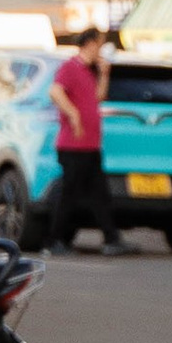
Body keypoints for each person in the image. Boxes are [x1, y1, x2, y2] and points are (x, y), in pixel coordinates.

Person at [52, 27, 128, 252]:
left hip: (91, 144)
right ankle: (55, 240)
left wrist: (104, 74)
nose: (101, 50)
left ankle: (111, 239)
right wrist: (73, 114)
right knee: (69, 195)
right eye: (100, 44)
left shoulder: (89, 71)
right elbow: (55, 92)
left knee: (99, 194)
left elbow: (98, 97)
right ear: (91, 44)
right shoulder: (70, 67)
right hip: (73, 145)